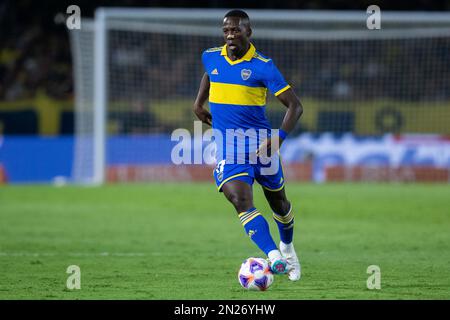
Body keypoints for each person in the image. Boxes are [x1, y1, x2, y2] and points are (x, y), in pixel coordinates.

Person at [193, 9, 303, 281]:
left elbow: (295, 107)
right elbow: (211, 73)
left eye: (236, 30)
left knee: (279, 203)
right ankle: (274, 257)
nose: (230, 35)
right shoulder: (210, 56)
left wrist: (277, 140)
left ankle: (287, 248)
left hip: (261, 148)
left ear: (248, 32)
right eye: (226, 30)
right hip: (229, 148)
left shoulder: (263, 65)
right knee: (240, 200)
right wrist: (198, 103)